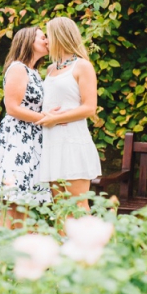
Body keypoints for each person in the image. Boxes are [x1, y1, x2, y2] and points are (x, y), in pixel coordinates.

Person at [0, 27, 56, 228]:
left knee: (23, 201)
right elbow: (12, 108)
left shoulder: (35, 72)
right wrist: (46, 118)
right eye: (42, 37)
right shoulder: (18, 68)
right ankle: (0, 250)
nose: (47, 40)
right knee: (11, 200)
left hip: (32, 140)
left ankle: (16, 250)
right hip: (18, 139)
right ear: (28, 41)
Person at [36, 17, 102, 212]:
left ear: (59, 36)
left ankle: (90, 243)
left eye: (48, 36)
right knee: (60, 207)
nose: (46, 40)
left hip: (72, 141)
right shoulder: (50, 69)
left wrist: (55, 119)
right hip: (52, 142)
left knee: (78, 205)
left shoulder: (82, 66)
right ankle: (62, 243)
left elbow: (90, 108)